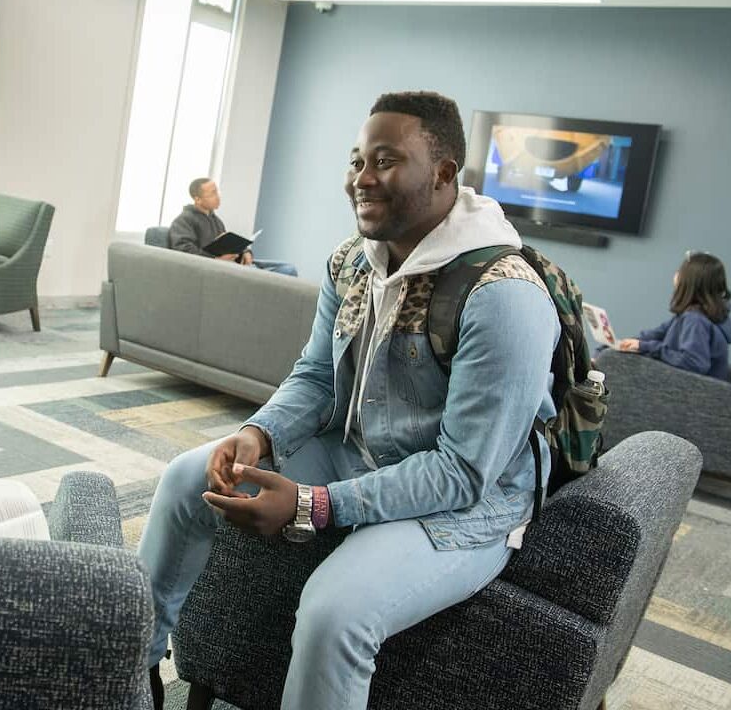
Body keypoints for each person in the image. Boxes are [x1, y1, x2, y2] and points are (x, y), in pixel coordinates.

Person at [138, 92, 560, 710]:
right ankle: (129, 670)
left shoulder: (504, 296)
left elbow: (463, 472)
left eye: (386, 161)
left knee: (336, 614)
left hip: (466, 505)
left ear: (444, 174)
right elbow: (314, 377)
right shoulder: (353, 263)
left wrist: (312, 506)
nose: (362, 178)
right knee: (186, 480)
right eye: (357, 159)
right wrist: (260, 434)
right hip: (360, 451)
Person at [617, 251, 731, 380]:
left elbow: (694, 362)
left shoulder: (695, 320)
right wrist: (622, 344)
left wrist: (646, 346)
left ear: (691, 281)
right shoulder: (694, 315)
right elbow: (655, 334)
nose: (676, 274)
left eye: (680, 271)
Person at [168, 178, 298, 276]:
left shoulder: (216, 221)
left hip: (237, 262)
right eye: (212, 193)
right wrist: (215, 260)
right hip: (223, 268)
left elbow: (229, 244)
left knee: (288, 267)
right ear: (197, 199)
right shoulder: (184, 220)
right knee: (287, 271)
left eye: (217, 192)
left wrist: (246, 252)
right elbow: (184, 251)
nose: (218, 197)